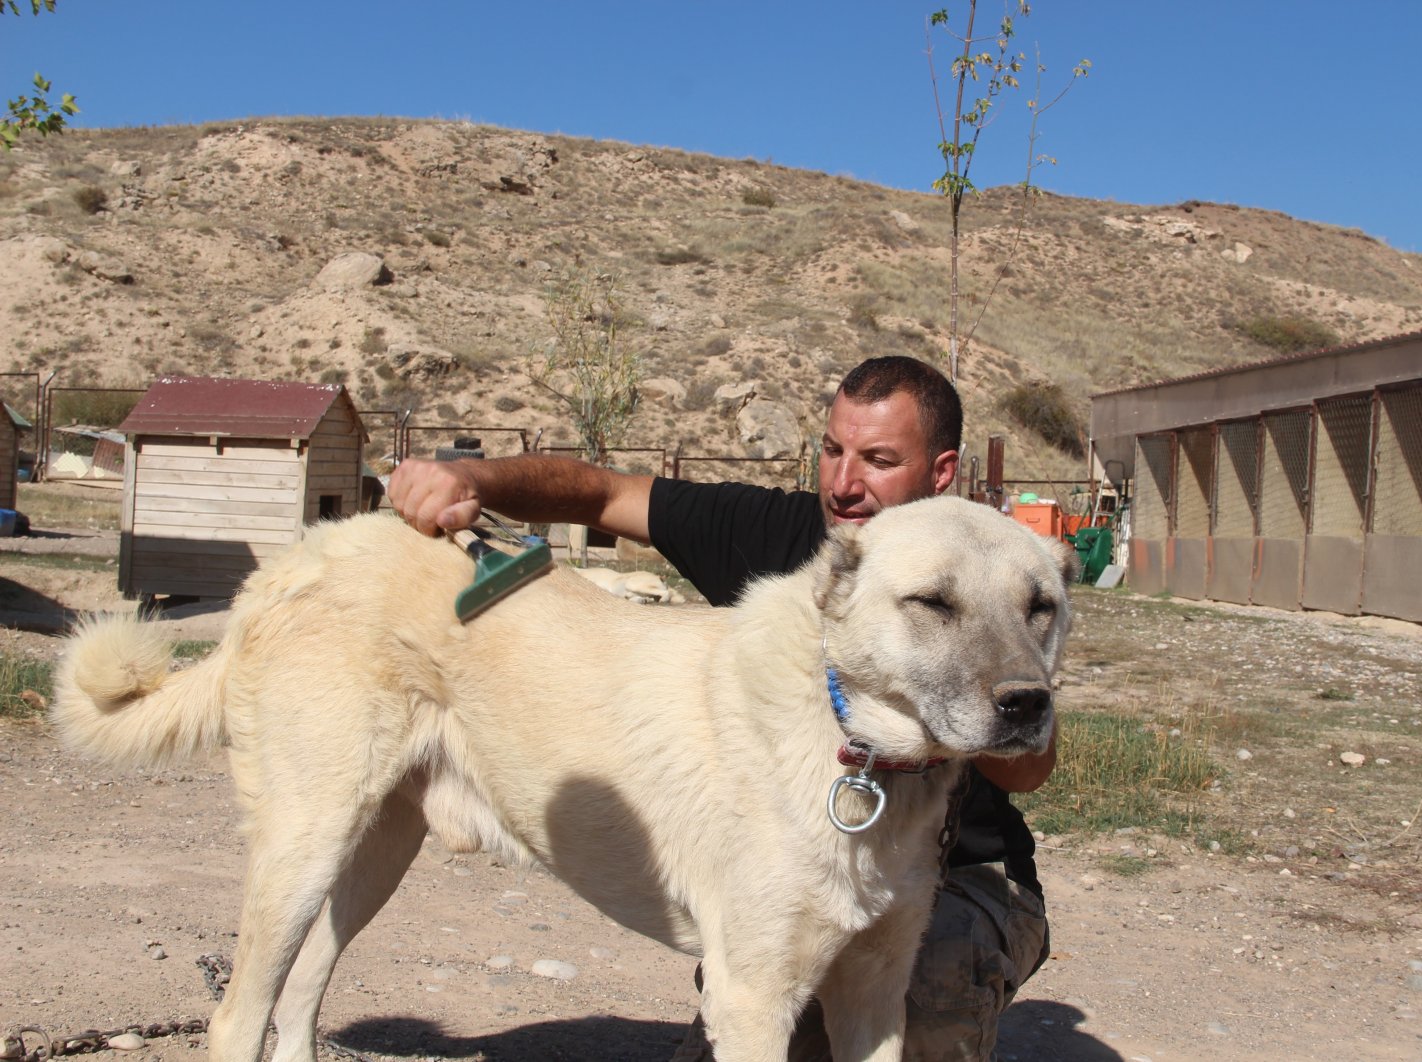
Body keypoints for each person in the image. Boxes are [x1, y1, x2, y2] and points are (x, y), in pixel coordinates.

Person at [388, 355, 1055, 1060]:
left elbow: (1026, 769)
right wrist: (472, 479)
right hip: (803, 865)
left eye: (878, 459)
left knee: (918, 1023)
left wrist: (966, 668)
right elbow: (601, 493)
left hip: (965, 878)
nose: (843, 483)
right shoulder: (783, 536)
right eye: (832, 451)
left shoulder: (982, 567)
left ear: (941, 471)